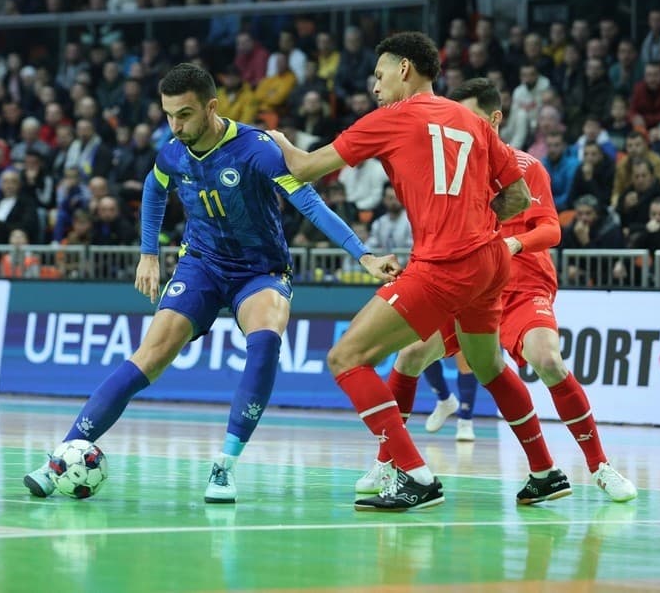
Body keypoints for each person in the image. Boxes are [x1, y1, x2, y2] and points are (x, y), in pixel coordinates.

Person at [23, 63, 392, 503]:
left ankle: (224, 465)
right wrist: (147, 254)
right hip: (201, 264)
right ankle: (61, 458)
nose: (175, 126)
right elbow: (154, 189)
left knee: (266, 340)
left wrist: (363, 254)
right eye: (168, 115)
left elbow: (309, 202)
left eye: (184, 115)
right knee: (150, 355)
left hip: (260, 270)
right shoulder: (172, 152)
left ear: (211, 107)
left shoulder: (257, 149)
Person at [271, 32, 570, 512]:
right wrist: (473, 217)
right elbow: (515, 198)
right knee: (490, 365)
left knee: (346, 358)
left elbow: (305, 169)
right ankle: (545, 471)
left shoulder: (390, 118)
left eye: (380, 74)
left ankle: (415, 475)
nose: (375, 86)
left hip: (445, 263)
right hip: (493, 259)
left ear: (405, 69)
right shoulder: (472, 120)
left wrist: (277, 140)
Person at [354, 78, 637, 503]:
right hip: (468, 283)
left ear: (495, 118)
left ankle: (599, 466)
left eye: (470, 116)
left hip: (521, 284)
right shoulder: (452, 169)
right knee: (411, 355)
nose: (460, 124)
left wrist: (511, 242)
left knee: (547, 360)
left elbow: (551, 229)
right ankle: (389, 461)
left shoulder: (525, 166)